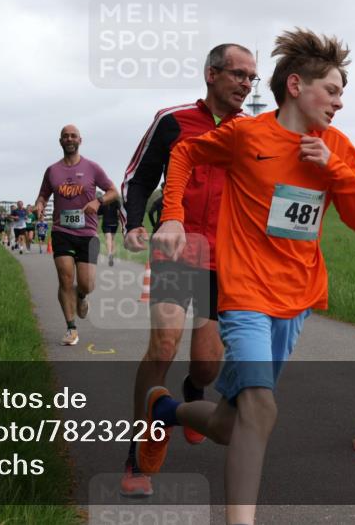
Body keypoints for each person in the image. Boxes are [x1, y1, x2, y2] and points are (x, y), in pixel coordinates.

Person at [141, 29, 355, 525]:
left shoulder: (338, 147)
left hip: (297, 298)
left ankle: (166, 410)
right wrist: (173, 214)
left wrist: (335, 170)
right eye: (331, 91)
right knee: (262, 409)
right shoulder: (248, 136)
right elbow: (185, 154)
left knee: (231, 421)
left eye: (341, 94)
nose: (339, 104)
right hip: (244, 294)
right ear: (295, 85)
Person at [117, 42, 255, 497]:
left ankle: (192, 396)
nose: (246, 84)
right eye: (238, 74)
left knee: (208, 363)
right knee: (163, 343)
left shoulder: (253, 131)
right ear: (211, 74)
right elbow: (139, 177)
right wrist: (135, 223)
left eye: (252, 78)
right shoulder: (173, 120)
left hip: (227, 257)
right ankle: (142, 448)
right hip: (178, 249)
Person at [33, 124, 117, 346]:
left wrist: (98, 201)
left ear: (80, 140)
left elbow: (113, 192)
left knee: (87, 283)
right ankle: (71, 328)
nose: (69, 139)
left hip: (87, 232)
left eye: (73, 136)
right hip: (62, 231)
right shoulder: (52, 171)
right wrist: (39, 205)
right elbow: (42, 196)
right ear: (60, 141)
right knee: (65, 279)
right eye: (65, 136)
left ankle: (81, 297)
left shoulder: (92, 168)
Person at [99, 194, 121, 267]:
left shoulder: (103, 202)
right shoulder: (116, 202)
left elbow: (99, 212)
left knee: (108, 238)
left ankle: (109, 253)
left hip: (106, 223)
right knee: (112, 239)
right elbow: (119, 213)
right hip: (114, 223)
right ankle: (112, 254)